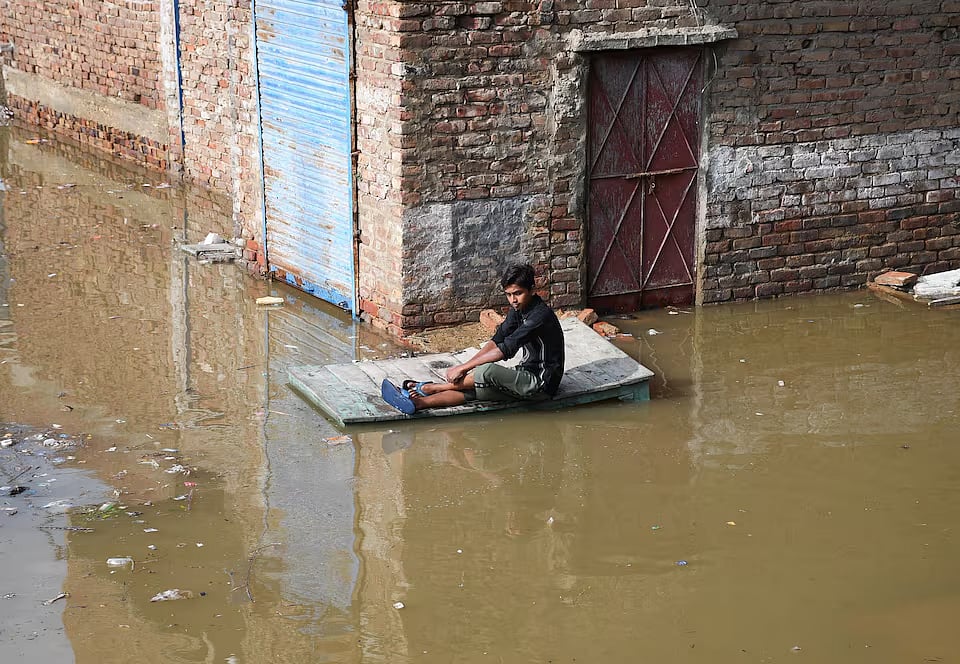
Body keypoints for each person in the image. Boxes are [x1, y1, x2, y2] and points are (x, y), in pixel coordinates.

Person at [380, 263, 565, 414]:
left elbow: (505, 350)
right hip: (524, 374)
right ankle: (419, 403)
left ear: (532, 290)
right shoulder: (519, 310)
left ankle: (434, 387)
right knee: (474, 390)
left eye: (517, 293)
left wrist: (463, 367)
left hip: (541, 384)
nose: (513, 300)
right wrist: (466, 367)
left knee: (487, 372)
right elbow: (497, 339)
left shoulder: (540, 316)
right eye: (508, 294)